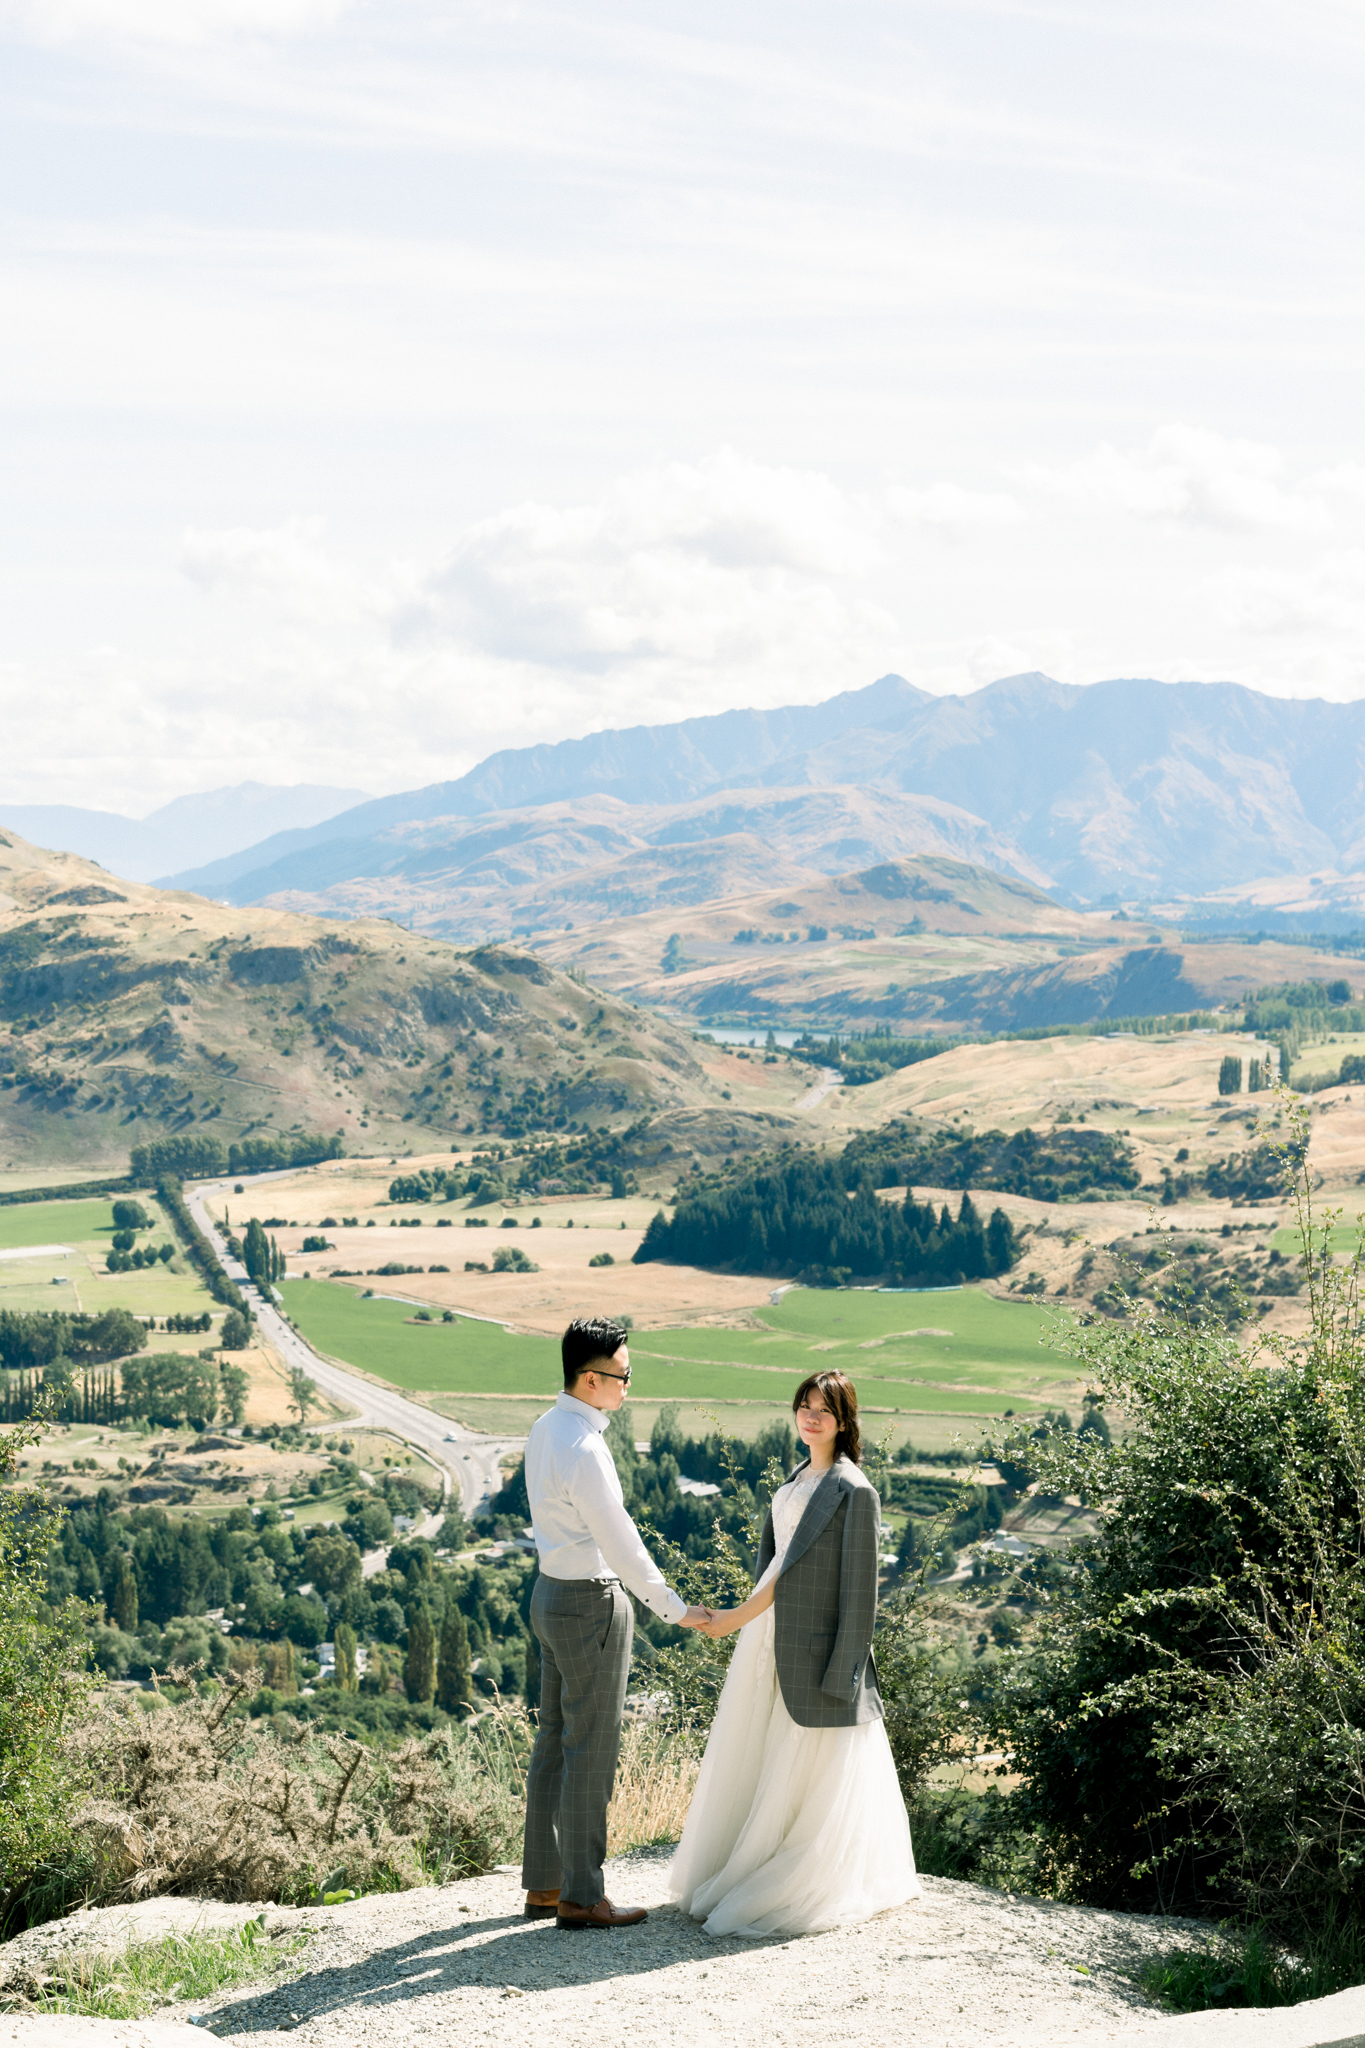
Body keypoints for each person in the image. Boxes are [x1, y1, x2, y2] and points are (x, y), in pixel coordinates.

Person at [667, 1369, 919, 1938]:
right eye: (803, 1406)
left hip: (819, 1646)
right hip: (771, 1638)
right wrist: (744, 1622)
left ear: (844, 1420)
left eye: (823, 1410)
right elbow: (777, 1563)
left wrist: (846, 1673)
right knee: (764, 1752)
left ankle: (802, 1874)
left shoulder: (856, 1491)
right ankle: (751, 1860)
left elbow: (861, 1596)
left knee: (811, 1766)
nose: (810, 1417)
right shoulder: (799, 1476)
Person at [521, 1316, 710, 1931]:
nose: (629, 1386)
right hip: (590, 1602)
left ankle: (546, 1885)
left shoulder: (544, 1428)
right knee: (591, 1750)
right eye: (624, 1375)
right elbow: (623, 1545)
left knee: (553, 1741)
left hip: (548, 1593)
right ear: (591, 1378)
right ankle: (583, 1896)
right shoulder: (585, 1447)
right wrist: (676, 1610)